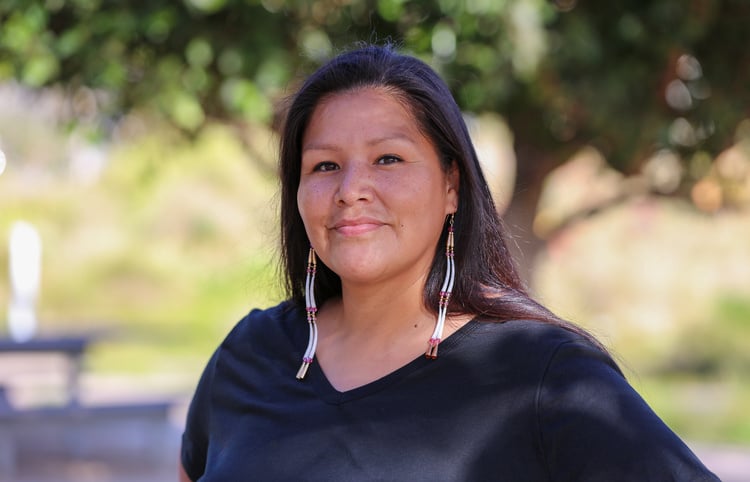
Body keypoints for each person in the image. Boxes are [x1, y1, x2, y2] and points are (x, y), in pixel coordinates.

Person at [179, 43, 719, 481]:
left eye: (387, 158)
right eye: (324, 166)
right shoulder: (250, 354)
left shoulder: (542, 376)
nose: (351, 190)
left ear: (451, 186)